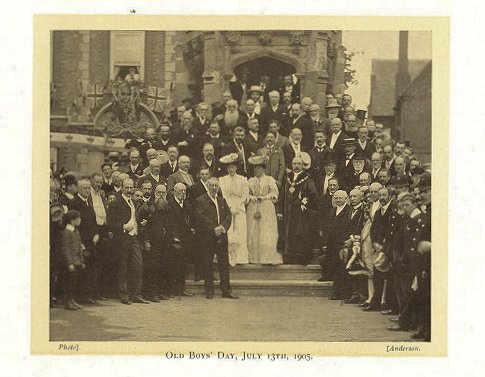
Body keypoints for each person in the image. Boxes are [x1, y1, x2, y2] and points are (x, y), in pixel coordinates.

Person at [194, 177, 238, 299]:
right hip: (207, 237)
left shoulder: (222, 201)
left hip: (222, 237)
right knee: (208, 264)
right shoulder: (200, 201)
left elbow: (229, 216)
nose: (214, 188)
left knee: (224, 264)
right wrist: (214, 228)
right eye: (212, 186)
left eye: (216, 186)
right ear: (207, 186)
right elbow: (201, 217)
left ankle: (226, 291)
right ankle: (209, 291)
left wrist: (222, 227)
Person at [107, 178, 148, 305]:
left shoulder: (133, 203)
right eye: (127, 188)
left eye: (131, 188)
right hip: (122, 239)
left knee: (138, 265)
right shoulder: (116, 204)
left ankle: (136, 294)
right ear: (122, 188)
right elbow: (110, 224)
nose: (129, 190)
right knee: (123, 267)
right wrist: (123, 227)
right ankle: (123, 295)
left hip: (134, 238)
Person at [277, 156, 319, 265]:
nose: (296, 166)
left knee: (300, 233)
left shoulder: (307, 177)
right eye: (294, 163)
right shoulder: (288, 177)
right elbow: (282, 195)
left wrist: (305, 202)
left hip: (301, 213)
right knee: (288, 233)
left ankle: (300, 257)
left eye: (298, 164)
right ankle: (289, 257)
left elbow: (313, 195)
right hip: (288, 212)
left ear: (303, 166)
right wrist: (280, 211)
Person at [67, 178, 100, 305]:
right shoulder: (74, 203)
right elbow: (75, 225)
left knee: (89, 269)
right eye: (84, 188)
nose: (87, 190)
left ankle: (86, 296)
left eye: (88, 188)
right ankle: (78, 297)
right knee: (80, 269)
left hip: (91, 241)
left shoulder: (88, 203)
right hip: (80, 241)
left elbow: (93, 222)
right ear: (79, 189)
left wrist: (97, 233)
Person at [246, 156, 282, 265]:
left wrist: (265, 197)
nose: (256, 170)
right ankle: (254, 257)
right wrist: (251, 197)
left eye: (259, 168)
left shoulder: (269, 179)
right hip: (253, 207)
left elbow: (275, 193)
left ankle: (267, 257)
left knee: (266, 231)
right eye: (255, 168)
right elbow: (245, 194)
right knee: (253, 230)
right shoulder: (250, 181)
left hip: (266, 207)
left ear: (263, 169)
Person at [165, 183, 195, 297]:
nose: (183, 193)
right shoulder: (169, 204)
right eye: (181, 191)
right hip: (174, 240)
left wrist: (191, 229)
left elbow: (190, 219)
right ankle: (172, 290)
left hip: (186, 239)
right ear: (175, 192)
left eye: (184, 191)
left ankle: (181, 289)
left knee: (183, 265)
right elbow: (169, 223)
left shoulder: (187, 204)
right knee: (173, 265)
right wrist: (174, 237)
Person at [219, 154, 250, 266]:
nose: (231, 169)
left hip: (239, 207)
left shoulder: (243, 179)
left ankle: (241, 258)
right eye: (229, 167)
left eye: (233, 167)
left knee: (240, 230)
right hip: (227, 207)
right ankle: (229, 257)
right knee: (229, 231)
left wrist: (237, 205)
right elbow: (223, 195)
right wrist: (229, 208)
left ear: (236, 167)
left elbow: (245, 195)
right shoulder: (222, 180)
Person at [322, 189, 351, 299]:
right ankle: (337, 292)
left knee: (342, 270)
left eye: (340, 198)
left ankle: (344, 293)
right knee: (335, 269)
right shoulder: (332, 211)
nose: (338, 200)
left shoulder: (349, 210)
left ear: (345, 199)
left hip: (342, 244)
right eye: (336, 198)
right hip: (332, 244)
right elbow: (327, 228)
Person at [90, 173, 111, 300]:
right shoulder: (89, 196)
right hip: (94, 230)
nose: (98, 184)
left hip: (103, 229)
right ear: (92, 181)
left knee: (103, 262)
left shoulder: (102, 195)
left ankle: (100, 292)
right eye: (96, 182)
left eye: (100, 182)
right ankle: (93, 292)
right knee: (94, 263)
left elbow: (105, 213)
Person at [61, 209, 85, 310]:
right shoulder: (67, 232)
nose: (80, 220)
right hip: (72, 262)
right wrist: (70, 262)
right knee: (69, 283)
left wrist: (82, 261)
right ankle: (68, 302)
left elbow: (79, 247)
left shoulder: (76, 231)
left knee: (74, 283)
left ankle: (72, 300)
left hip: (77, 261)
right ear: (72, 220)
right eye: (78, 218)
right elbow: (65, 248)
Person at [307, 126, 334, 191]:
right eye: (317, 137)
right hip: (313, 181)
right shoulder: (310, 152)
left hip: (326, 180)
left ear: (325, 138)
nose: (319, 139)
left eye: (321, 137)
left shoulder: (331, 151)